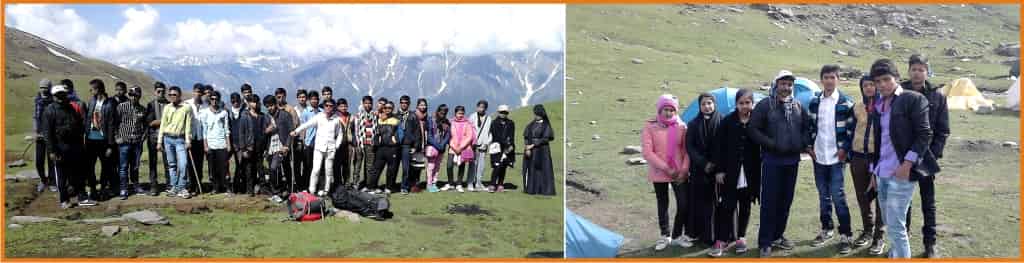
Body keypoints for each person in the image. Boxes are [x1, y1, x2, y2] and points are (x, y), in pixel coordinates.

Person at [868, 59, 934, 259]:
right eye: (878, 81)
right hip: (882, 172)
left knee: (896, 226)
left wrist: (907, 165)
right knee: (890, 220)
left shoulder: (912, 99)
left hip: (901, 173)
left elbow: (924, 134)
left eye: (886, 79)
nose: (882, 85)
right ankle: (896, 255)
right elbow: (878, 141)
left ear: (896, 78)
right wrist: (874, 170)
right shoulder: (878, 104)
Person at [749, 70, 812, 257]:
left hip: (792, 161)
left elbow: (806, 128)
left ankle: (778, 235)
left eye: (789, 84)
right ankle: (765, 242)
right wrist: (772, 144)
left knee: (786, 201)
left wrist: (802, 143)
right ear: (776, 85)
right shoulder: (765, 105)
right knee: (769, 202)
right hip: (772, 161)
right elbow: (753, 129)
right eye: (783, 84)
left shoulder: (798, 106)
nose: (786, 87)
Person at [901, 54, 949, 259]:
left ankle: (930, 244)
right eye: (914, 69)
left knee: (928, 202)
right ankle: (902, 243)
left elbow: (943, 130)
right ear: (908, 71)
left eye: (921, 69)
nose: (917, 73)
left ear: (927, 72)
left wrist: (934, 154)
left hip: (927, 158)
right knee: (904, 202)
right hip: (902, 158)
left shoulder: (938, 96)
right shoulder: (899, 92)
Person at [808, 64, 856, 253]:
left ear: (838, 79)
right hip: (819, 157)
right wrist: (809, 147)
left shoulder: (846, 103)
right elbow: (810, 127)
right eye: (826, 77)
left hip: (837, 157)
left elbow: (851, 131)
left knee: (838, 196)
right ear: (822, 80)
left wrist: (844, 149)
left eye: (832, 77)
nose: (829, 80)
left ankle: (846, 235)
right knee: (823, 196)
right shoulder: (814, 102)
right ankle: (826, 229)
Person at [709, 88, 761, 256]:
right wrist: (718, 170)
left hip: (750, 173)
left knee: (745, 206)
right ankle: (722, 239)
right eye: (741, 103)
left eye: (748, 102)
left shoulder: (757, 121)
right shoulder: (727, 122)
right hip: (730, 172)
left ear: (752, 103)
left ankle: (741, 238)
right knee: (727, 206)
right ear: (736, 104)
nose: (745, 106)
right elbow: (718, 148)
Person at [642, 94, 692, 251]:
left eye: (672, 109)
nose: (669, 113)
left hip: (678, 173)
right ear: (660, 109)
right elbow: (648, 152)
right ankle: (665, 235)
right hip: (659, 171)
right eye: (666, 109)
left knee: (683, 203)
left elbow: (686, 150)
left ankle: (677, 235)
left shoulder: (682, 127)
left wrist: (683, 170)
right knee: (662, 204)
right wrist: (666, 168)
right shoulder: (650, 126)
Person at [850, 75, 887, 255]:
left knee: (880, 198)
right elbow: (851, 130)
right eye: (866, 85)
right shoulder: (856, 107)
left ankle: (879, 236)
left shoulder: (885, 107)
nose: (870, 88)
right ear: (862, 88)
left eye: (872, 84)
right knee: (862, 196)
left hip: (877, 158)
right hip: (857, 158)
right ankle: (867, 230)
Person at [685, 92, 721, 247]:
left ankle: (715, 235)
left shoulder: (722, 121)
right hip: (699, 170)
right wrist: (703, 163)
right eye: (704, 104)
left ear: (714, 104)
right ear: (700, 107)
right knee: (699, 203)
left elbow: (725, 145)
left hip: (718, 171)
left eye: (710, 103)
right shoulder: (693, 124)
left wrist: (714, 163)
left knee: (716, 203)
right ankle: (699, 234)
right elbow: (689, 147)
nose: (707, 106)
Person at [44, 85, 88, 209]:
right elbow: (47, 133)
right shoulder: (50, 111)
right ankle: (64, 199)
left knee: (76, 173)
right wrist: (52, 151)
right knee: (61, 175)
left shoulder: (71, 108)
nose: (61, 97)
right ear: (54, 96)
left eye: (62, 95)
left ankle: (81, 196)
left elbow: (78, 125)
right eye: (58, 95)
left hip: (74, 146)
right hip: (59, 148)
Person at [291, 98, 342, 196]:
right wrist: (296, 131)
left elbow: (339, 134)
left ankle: (326, 191)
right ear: (324, 106)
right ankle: (312, 190)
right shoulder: (319, 116)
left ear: (333, 107)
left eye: (331, 106)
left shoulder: (336, 119)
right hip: (318, 148)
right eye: (326, 105)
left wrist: (336, 145)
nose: (328, 107)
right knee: (316, 169)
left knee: (328, 171)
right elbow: (307, 125)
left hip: (330, 149)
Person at [84, 79, 118, 201]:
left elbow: (111, 124)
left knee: (106, 166)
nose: (90, 91)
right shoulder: (91, 101)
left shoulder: (110, 104)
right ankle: (93, 189)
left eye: (92, 89)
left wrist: (110, 144)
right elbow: (87, 119)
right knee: (90, 166)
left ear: (98, 89)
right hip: (90, 139)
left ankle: (104, 188)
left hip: (103, 140)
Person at [157, 86, 193, 199]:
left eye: (174, 95)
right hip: (168, 139)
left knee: (183, 164)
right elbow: (163, 124)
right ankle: (174, 187)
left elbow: (188, 126)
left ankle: (182, 187)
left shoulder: (186, 108)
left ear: (179, 95)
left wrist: (188, 140)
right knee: (172, 165)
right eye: (170, 95)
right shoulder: (167, 107)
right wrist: (159, 141)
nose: (172, 97)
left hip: (180, 139)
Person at [236, 94, 276, 197]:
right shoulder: (245, 117)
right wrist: (243, 149)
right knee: (249, 169)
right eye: (253, 102)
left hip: (260, 146)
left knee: (260, 169)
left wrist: (266, 146)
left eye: (256, 101)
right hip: (249, 147)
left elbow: (267, 131)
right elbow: (241, 134)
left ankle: (263, 188)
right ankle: (249, 190)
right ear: (248, 103)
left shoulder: (263, 116)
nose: (255, 104)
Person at [113, 86, 148, 200]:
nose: (133, 97)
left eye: (136, 95)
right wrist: (117, 137)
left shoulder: (142, 109)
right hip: (124, 142)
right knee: (123, 167)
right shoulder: (121, 107)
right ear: (129, 95)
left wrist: (143, 137)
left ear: (139, 96)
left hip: (137, 142)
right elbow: (114, 123)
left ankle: (136, 186)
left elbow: (145, 125)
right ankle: (123, 188)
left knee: (135, 166)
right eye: (131, 95)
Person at [265, 95, 294, 201]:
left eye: (271, 105)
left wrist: (287, 145)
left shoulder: (285, 115)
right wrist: (267, 131)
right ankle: (279, 191)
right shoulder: (266, 117)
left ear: (275, 104)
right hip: (270, 147)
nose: (270, 108)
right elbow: (263, 132)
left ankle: (283, 191)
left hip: (282, 146)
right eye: (267, 106)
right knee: (275, 169)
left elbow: (291, 131)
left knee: (275, 168)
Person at [202, 91, 231, 194]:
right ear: (210, 100)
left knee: (224, 167)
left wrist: (228, 144)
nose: (214, 101)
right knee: (212, 168)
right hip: (211, 144)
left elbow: (226, 129)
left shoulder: (224, 113)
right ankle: (215, 188)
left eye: (216, 99)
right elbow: (204, 131)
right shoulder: (205, 113)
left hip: (222, 143)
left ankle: (226, 186)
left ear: (219, 100)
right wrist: (205, 145)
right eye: (212, 99)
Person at [369, 101, 402, 194]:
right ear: (383, 109)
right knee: (377, 168)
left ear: (393, 109)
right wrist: (376, 142)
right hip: (381, 148)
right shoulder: (379, 119)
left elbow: (401, 134)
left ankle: (389, 187)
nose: (387, 109)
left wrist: (395, 140)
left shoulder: (396, 120)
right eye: (386, 107)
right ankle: (372, 187)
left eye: (390, 108)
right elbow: (375, 132)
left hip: (392, 148)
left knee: (391, 169)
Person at [523, 104, 555, 196]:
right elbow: (526, 137)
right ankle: (532, 189)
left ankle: (545, 190)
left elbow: (546, 138)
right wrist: (527, 148)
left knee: (544, 169)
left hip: (543, 150)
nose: (536, 116)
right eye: (535, 114)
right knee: (532, 169)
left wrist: (532, 145)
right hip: (532, 151)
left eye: (537, 114)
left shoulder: (546, 125)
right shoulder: (530, 125)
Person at [144, 82, 169, 195]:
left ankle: (169, 184)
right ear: (155, 92)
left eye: (163, 91)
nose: (161, 93)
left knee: (168, 162)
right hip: (153, 137)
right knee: (152, 162)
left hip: (166, 137)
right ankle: (154, 186)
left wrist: (159, 122)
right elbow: (149, 122)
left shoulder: (169, 104)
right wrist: (165, 121)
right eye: (158, 91)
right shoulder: (150, 105)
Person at [183, 84, 208, 194]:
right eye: (196, 91)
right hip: (190, 138)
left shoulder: (206, 106)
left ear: (202, 94)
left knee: (199, 163)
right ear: (193, 92)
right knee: (189, 163)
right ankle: (191, 185)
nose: (198, 94)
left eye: (200, 92)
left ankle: (199, 184)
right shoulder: (187, 104)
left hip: (201, 138)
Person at [401, 98, 428, 194]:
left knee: (417, 166)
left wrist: (418, 146)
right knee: (410, 167)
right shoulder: (413, 115)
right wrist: (415, 145)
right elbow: (415, 132)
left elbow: (422, 132)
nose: (423, 106)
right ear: (417, 106)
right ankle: (408, 185)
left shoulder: (426, 117)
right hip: (410, 144)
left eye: (424, 105)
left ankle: (414, 185)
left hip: (421, 145)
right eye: (421, 105)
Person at [33, 78, 55, 192]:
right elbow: (35, 117)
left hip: (50, 135)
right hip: (39, 135)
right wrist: (35, 131)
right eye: (41, 87)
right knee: (38, 161)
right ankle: (43, 180)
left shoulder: (53, 101)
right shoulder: (37, 100)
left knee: (51, 160)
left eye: (45, 88)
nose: (43, 90)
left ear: (49, 88)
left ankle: (52, 182)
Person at [446, 105, 475, 193]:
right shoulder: (451, 123)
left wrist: (461, 147)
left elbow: (469, 136)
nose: (460, 115)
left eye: (462, 113)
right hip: (453, 148)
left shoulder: (467, 123)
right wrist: (454, 147)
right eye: (459, 113)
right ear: (455, 113)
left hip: (464, 148)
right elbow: (449, 136)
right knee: (449, 165)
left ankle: (459, 184)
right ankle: (450, 183)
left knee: (461, 166)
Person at [488, 105, 515, 193]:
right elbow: (494, 136)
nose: (503, 114)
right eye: (502, 112)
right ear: (498, 112)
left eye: (505, 112)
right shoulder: (494, 123)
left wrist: (511, 145)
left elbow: (511, 136)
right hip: (497, 147)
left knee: (503, 166)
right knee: (497, 166)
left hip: (507, 147)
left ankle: (500, 184)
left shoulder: (511, 123)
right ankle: (492, 184)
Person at [467, 100, 492, 192]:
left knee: (481, 165)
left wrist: (487, 143)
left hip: (483, 145)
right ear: (477, 107)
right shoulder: (472, 117)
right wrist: (471, 143)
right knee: (472, 164)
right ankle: (470, 182)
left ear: (486, 108)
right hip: (474, 145)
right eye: (480, 107)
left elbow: (490, 132)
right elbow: (469, 130)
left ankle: (478, 182)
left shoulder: (488, 118)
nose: (481, 109)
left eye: (483, 107)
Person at [354, 96, 378, 192]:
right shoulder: (358, 115)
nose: (368, 105)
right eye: (366, 103)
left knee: (369, 166)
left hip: (371, 144)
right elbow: (356, 130)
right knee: (358, 165)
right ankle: (355, 184)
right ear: (363, 104)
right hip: (361, 144)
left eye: (369, 103)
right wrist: (357, 143)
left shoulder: (375, 115)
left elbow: (376, 129)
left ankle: (368, 185)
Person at [426, 105, 451, 193]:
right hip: (433, 147)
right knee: (431, 166)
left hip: (441, 149)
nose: (442, 114)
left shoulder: (447, 122)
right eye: (441, 112)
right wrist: (437, 145)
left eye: (445, 113)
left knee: (437, 167)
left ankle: (434, 183)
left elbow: (448, 135)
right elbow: (429, 136)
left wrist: (442, 144)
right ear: (438, 111)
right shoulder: (431, 120)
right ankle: (429, 184)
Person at [299, 92, 321, 191]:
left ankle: (315, 186)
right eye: (312, 99)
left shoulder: (322, 112)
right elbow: (303, 128)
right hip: (308, 143)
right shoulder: (306, 112)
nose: (314, 101)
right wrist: (303, 142)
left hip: (319, 143)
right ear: (309, 100)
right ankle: (304, 186)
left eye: (316, 99)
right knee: (307, 166)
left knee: (317, 167)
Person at [335, 98, 357, 189]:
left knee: (347, 165)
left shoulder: (352, 117)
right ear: (338, 107)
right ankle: (338, 183)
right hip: (338, 145)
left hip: (349, 145)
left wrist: (354, 143)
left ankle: (347, 183)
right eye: (341, 106)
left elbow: (355, 131)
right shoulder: (335, 117)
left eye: (345, 106)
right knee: (337, 164)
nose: (344, 107)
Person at [292, 89, 309, 192]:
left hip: (308, 140)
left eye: (304, 97)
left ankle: (305, 184)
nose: (302, 99)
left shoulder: (309, 109)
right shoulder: (294, 110)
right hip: (298, 141)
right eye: (300, 97)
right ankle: (298, 185)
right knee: (297, 165)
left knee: (307, 164)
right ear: (298, 98)